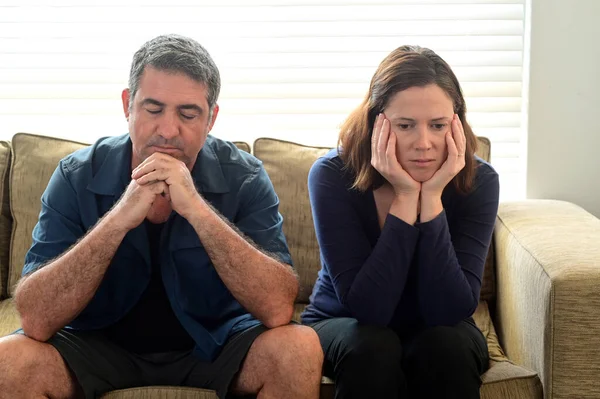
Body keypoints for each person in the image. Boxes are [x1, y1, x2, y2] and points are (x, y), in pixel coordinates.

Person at [0, 34, 323, 399]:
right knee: (10, 358)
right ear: (128, 105)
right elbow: (35, 319)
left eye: (188, 114)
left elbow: (278, 308)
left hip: (215, 343)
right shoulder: (76, 175)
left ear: (212, 117)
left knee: (298, 347)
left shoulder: (245, 177)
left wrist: (198, 210)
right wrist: (119, 217)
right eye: (153, 109)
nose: (168, 130)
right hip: (98, 343)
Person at [301, 45, 499, 399]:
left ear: (457, 123)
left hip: (442, 330)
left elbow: (450, 309)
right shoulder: (332, 176)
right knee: (374, 346)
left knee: (445, 346)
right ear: (378, 123)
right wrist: (407, 198)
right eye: (405, 125)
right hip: (345, 323)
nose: (424, 143)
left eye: (437, 125)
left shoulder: (480, 181)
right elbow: (369, 309)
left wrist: (432, 198)